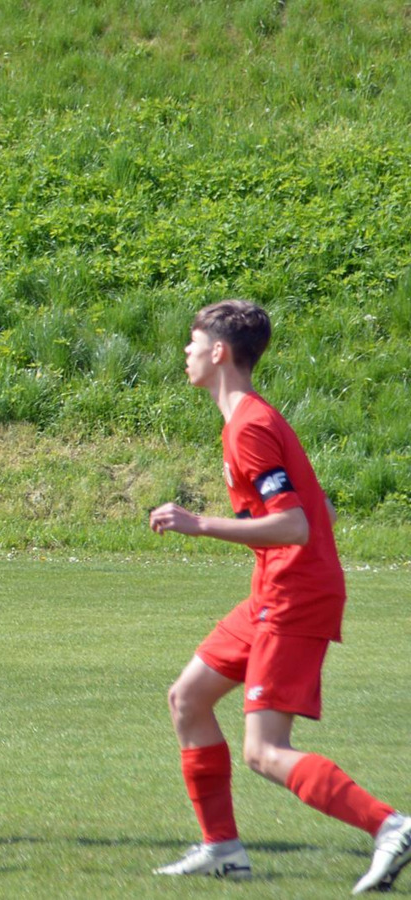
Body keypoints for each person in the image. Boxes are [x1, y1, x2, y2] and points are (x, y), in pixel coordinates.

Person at [148, 299, 410, 893]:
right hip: (275, 589)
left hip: (295, 596)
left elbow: (295, 525)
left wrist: (200, 524)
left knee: (265, 751)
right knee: (188, 698)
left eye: (193, 343)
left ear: (219, 352)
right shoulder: (250, 419)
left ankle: (390, 825)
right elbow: (320, 511)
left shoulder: (250, 426)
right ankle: (222, 849)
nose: (185, 353)